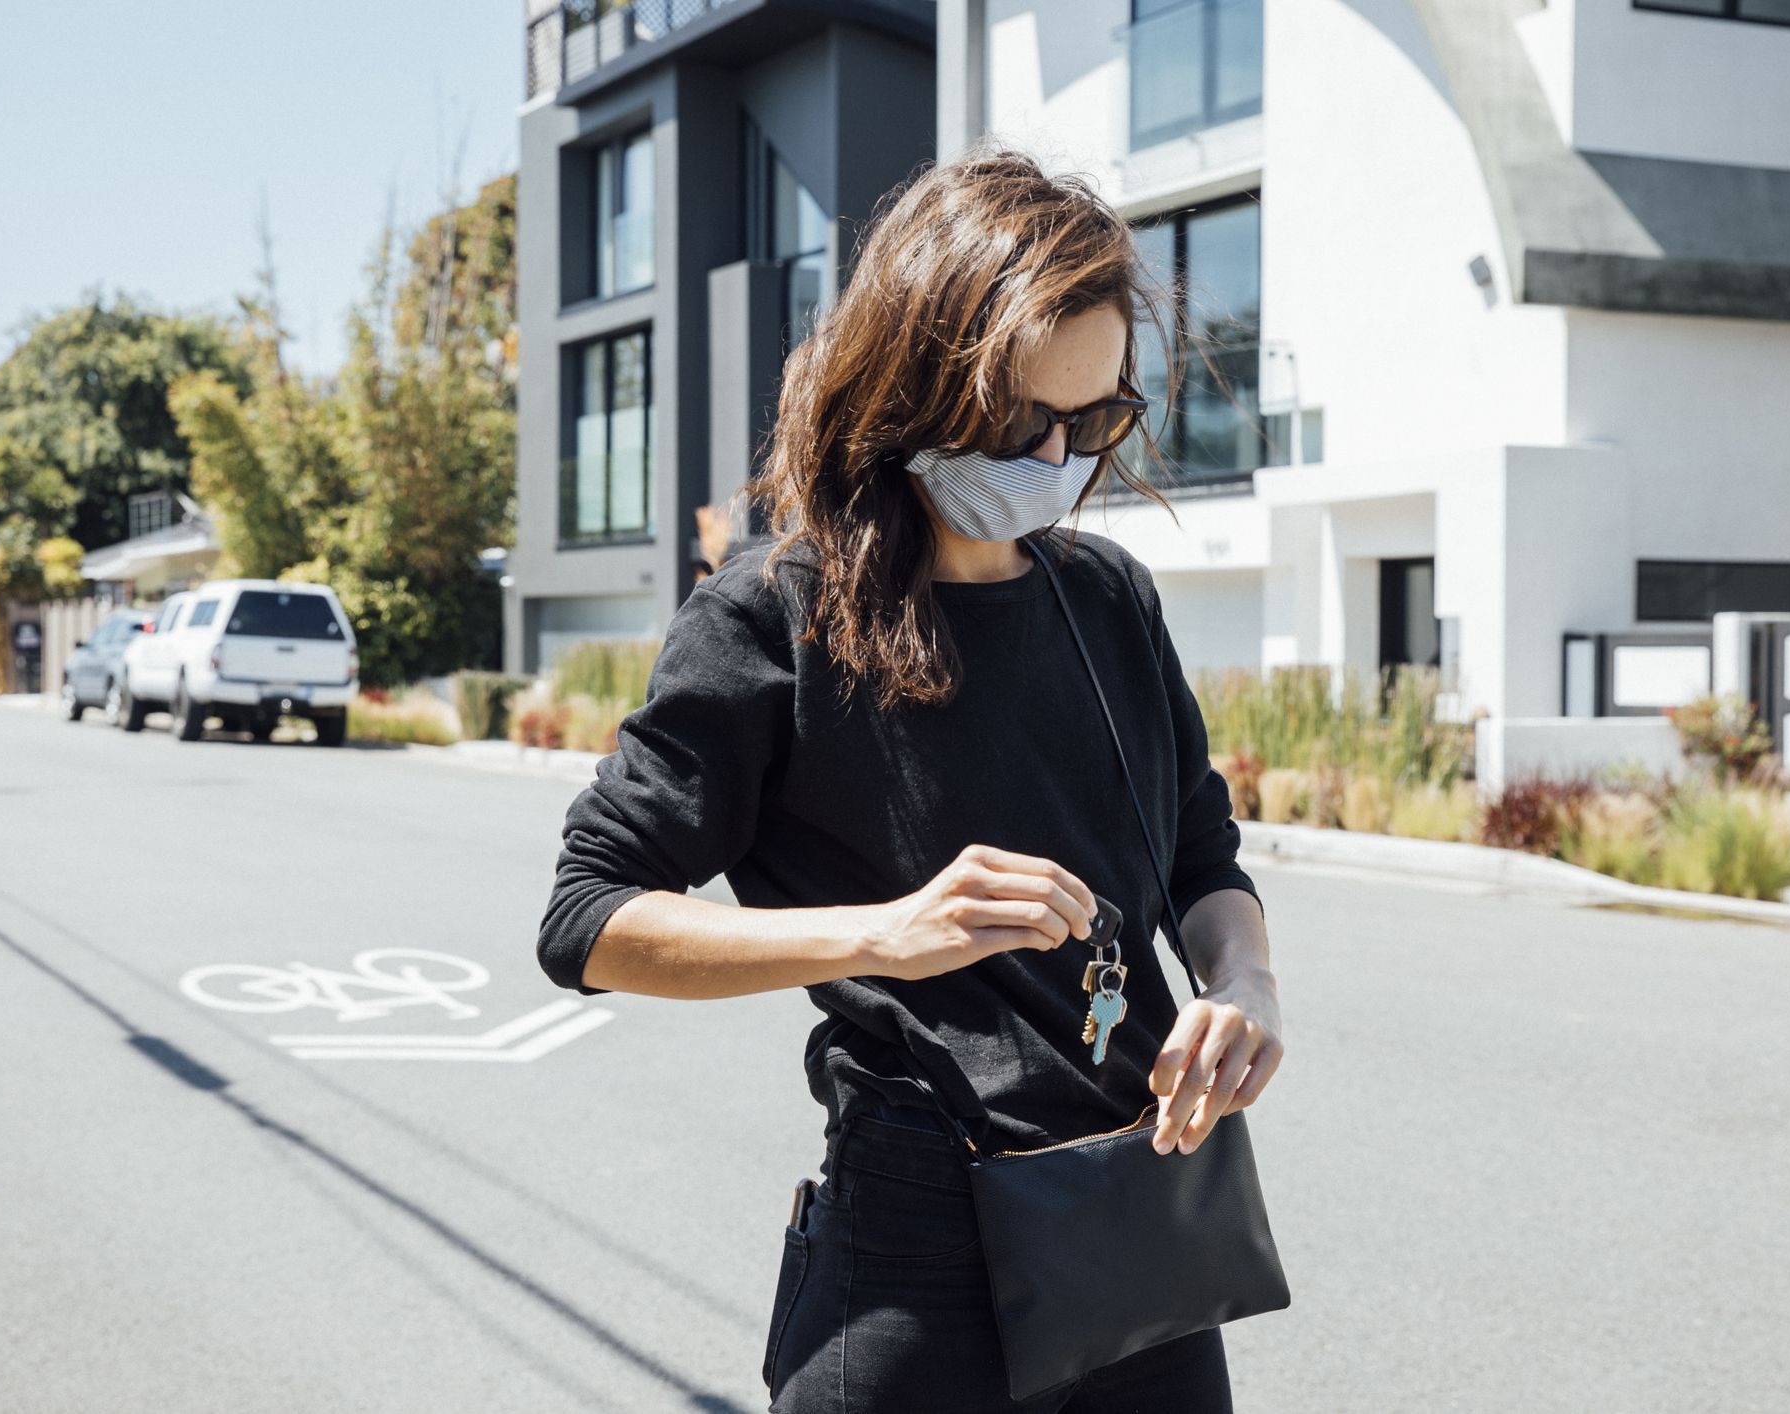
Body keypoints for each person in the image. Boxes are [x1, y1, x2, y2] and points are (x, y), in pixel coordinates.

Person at [537, 145, 1285, 1413]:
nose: (1058, 457)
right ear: (915, 382)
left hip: (1139, 1203)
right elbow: (587, 919)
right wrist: (886, 935)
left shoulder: (1107, 599)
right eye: (1021, 422)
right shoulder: (773, 616)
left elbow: (1205, 859)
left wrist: (1244, 980)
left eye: (1092, 421)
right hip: (917, 1245)